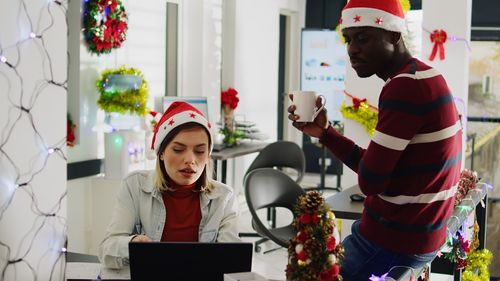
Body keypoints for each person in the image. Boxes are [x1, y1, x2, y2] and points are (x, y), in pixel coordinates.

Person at [288, 0, 463, 279]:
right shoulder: (424, 75)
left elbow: (371, 181)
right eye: (348, 39)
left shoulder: (404, 87)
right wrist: (325, 133)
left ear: (394, 35)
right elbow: (379, 170)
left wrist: (365, 163)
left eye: (363, 38)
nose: (352, 49)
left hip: (393, 242)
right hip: (419, 236)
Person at [99, 101, 240, 269]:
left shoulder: (225, 198)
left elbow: (231, 262)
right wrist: (132, 244)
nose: (190, 160)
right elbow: (106, 250)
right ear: (161, 153)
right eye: (179, 149)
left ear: (208, 155)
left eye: (200, 151)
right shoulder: (134, 186)